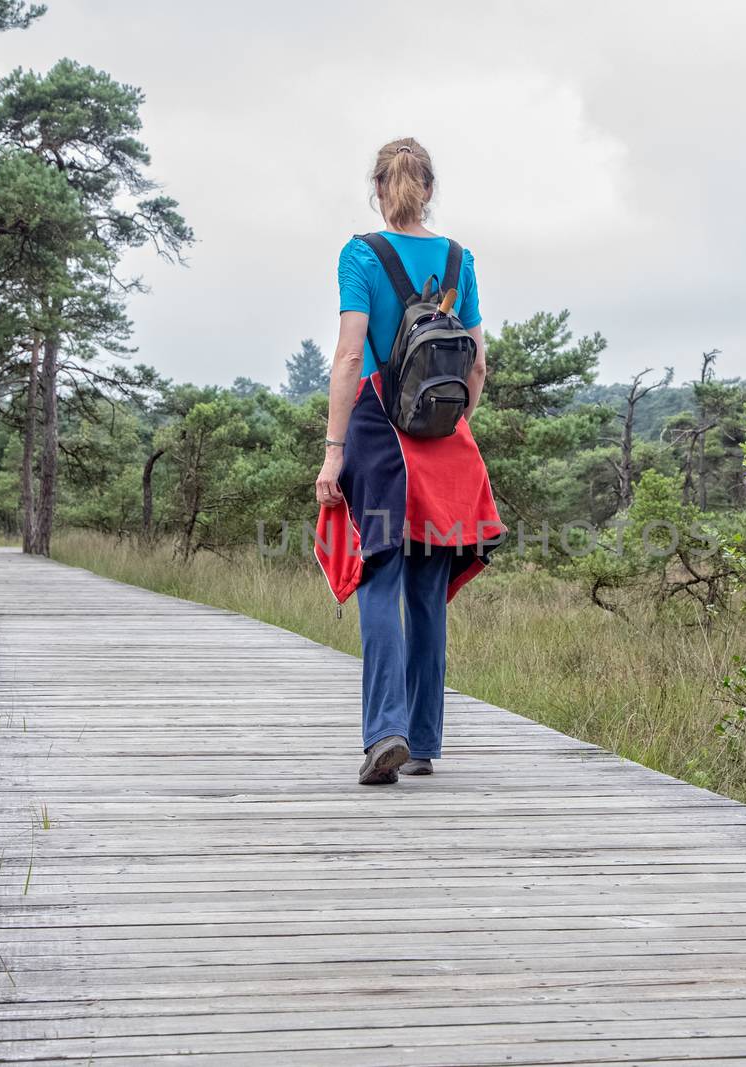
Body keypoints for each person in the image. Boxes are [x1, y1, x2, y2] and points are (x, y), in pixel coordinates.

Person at [313, 137, 502, 786]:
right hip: (447, 440)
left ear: (379, 187)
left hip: (376, 429)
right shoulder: (458, 259)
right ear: (428, 187)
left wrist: (334, 452)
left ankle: (383, 732)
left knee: (380, 578)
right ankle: (422, 740)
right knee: (426, 592)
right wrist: (451, 421)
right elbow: (476, 362)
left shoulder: (360, 255)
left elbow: (347, 357)